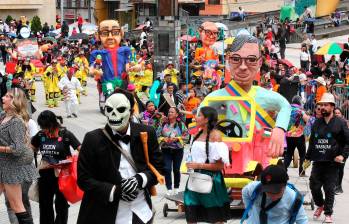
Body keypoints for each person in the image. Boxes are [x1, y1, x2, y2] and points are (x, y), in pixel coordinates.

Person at [77, 89, 164, 224]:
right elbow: (84, 179)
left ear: (130, 112)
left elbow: (159, 167)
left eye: (121, 109)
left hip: (141, 212)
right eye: (109, 109)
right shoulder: (92, 139)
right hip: (104, 213)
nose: (114, 114)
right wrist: (115, 191)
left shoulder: (146, 133)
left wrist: (139, 180)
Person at [205, 34, 291, 158]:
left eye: (251, 60)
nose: (243, 67)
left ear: (260, 62)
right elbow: (201, 116)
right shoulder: (216, 97)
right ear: (228, 60)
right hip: (227, 155)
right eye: (236, 59)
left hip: (259, 154)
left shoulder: (265, 95)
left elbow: (285, 105)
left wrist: (279, 129)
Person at [303, 93, 349, 223]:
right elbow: (312, 141)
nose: (322, 107)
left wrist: (342, 155)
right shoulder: (317, 122)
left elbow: (347, 141)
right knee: (314, 186)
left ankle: (328, 213)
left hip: (333, 163)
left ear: (332, 107)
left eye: (325, 105)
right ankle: (320, 205)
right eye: (320, 105)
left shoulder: (340, 123)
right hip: (318, 161)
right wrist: (307, 158)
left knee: (329, 188)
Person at [31, 110, 81, 224]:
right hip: (45, 174)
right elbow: (31, 148)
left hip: (63, 175)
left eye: (45, 127)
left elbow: (81, 149)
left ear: (52, 124)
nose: (43, 129)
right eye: (41, 126)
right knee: (45, 204)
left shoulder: (65, 134)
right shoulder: (40, 135)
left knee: (62, 205)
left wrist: (73, 160)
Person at [184, 106, 230, 223]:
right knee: (191, 213)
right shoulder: (197, 134)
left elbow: (219, 166)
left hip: (211, 181)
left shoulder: (216, 136)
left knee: (215, 217)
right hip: (194, 179)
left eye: (199, 115)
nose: (196, 117)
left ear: (207, 119)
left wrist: (198, 165)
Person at [0, 88, 37, 224]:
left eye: (8, 96)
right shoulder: (4, 116)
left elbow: (18, 149)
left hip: (12, 168)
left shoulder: (16, 121)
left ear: (15, 101)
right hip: (3, 166)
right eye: (4, 95)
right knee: (16, 205)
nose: (3, 98)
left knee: (16, 205)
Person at [241, 165, 308, 224]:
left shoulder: (293, 198)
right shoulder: (254, 188)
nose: (273, 197)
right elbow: (245, 192)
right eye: (269, 192)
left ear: (285, 186)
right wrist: (250, 212)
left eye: (276, 192)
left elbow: (302, 220)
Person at [90, 20, 131, 92]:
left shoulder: (126, 51)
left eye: (115, 32)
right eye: (104, 33)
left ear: (121, 33)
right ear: (98, 36)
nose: (110, 37)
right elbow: (92, 68)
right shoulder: (97, 54)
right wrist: (94, 71)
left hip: (123, 84)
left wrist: (135, 67)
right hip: (107, 85)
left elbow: (131, 63)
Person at [157, 107, 188, 196]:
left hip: (178, 150)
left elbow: (186, 136)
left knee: (176, 169)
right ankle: (169, 188)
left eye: (172, 112)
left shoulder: (181, 125)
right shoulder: (163, 124)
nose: (169, 113)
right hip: (166, 150)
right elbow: (157, 135)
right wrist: (164, 139)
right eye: (169, 111)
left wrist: (177, 139)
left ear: (177, 114)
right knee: (167, 169)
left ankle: (176, 187)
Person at [284, 96, 309, 176]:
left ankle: (284, 170)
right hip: (299, 136)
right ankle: (302, 172)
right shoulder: (300, 111)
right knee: (302, 155)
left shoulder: (288, 109)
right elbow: (306, 119)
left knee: (289, 153)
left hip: (288, 135)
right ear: (299, 102)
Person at [333, 107, 348, 194]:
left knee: (340, 168)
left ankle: (339, 186)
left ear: (342, 115)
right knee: (334, 168)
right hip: (334, 150)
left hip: (343, 150)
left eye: (338, 113)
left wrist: (344, 154)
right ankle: (335, 185)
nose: (337, 114)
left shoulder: (344, 124)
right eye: (335, 113)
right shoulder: (332, 123)